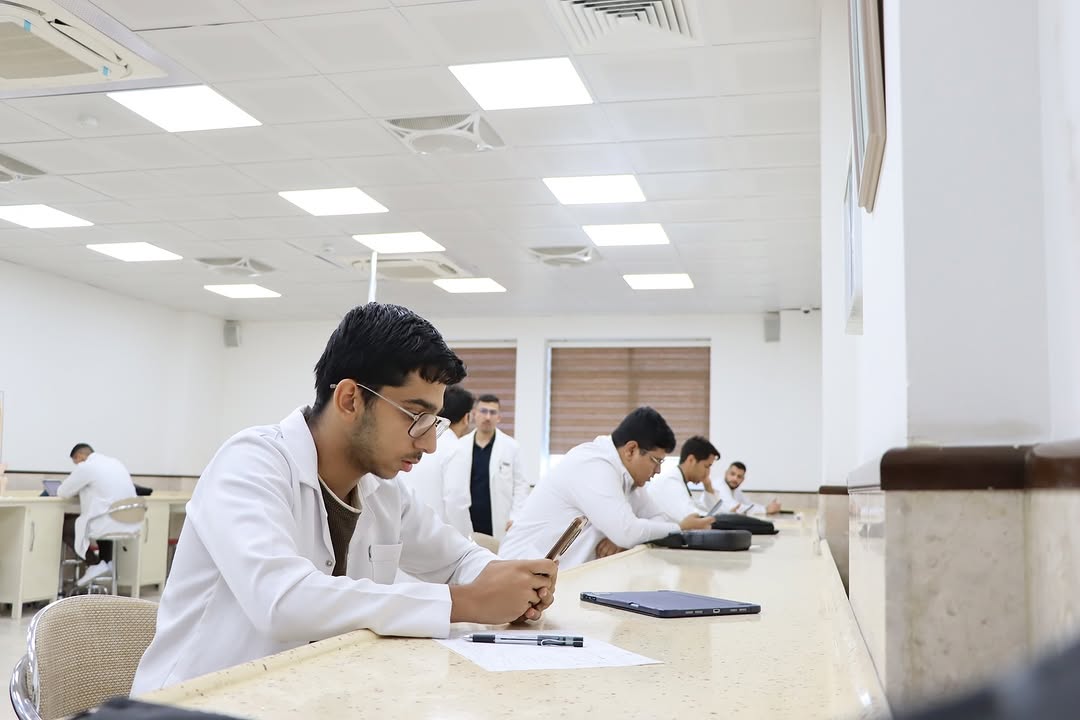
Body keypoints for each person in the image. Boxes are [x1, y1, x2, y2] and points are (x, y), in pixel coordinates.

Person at [133, 303, 557, 693]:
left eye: (435, 421)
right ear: (351, 399)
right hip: (196, 703)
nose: (429, 444)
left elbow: (457, 558)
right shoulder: (250, 463)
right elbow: (282, 601)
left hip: (307, 698)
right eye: (416, 416)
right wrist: (467, 602)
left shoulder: (384, 489)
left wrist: (511, 582)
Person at [498, 407, 715, 569]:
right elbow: (628, 531)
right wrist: (680, 527)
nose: (658, 471)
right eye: (656, 461)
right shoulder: (593, 464)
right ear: (631, 450)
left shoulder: (629, 477)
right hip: (519, 572)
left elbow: (655, 520)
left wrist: (623, 539)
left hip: (565, 577)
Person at [57, 443, 139, 587]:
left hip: (105, 521)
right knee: (101, 520)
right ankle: (107, 562)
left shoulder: (86, 467)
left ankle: (94, 564)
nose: (77, 465)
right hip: (127, 521)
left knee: (65, 528)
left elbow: (63, 492)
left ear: (80, 456)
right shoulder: (115, 463)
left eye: (76, 462)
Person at [397, 383, 474, 537]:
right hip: (436, 536)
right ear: (467, 418)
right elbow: (456, 503)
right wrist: (467, 539)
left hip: (402, 527)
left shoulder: (416, 440)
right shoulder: (456, 449)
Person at [461, 394, 529, 541]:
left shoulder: (511, 447)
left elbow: (521, 486)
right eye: (483, 411)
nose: (487, 417)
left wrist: (516, 516)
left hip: (499, 521)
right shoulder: (461, 446)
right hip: (469, 520)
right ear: (474, 414)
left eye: (492, 412)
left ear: (499, 417)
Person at [646, 436, 722, 523]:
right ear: (691, 460)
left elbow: (707, 510)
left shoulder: (680, 482)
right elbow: (694, 518)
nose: (708, 472)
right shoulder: (670, 482)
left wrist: (708, 485)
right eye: (706, 466)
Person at [713, 461, 781, 515]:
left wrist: (767, 508)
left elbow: (748, 504)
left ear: (743, 479)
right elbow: (735, 508)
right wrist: (765, 510)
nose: (735, 478)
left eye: (739, 476)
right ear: (726, 473)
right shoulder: (719, 486)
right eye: (732, 474)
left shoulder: (735, 490)